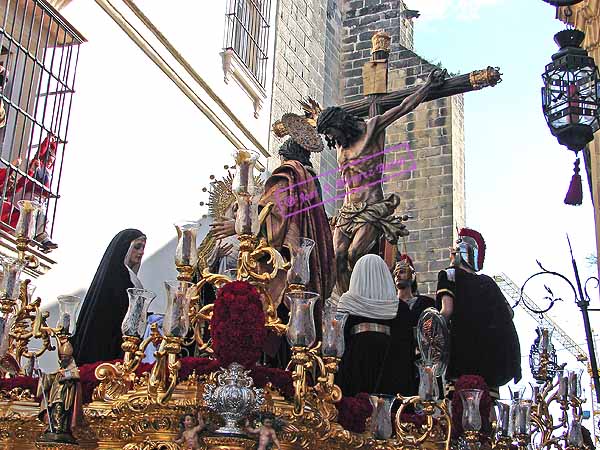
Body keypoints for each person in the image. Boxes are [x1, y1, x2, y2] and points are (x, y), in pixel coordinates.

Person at [315, 69, 446, 295]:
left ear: (340, 123)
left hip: (371, 208)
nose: (330, 138)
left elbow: (403, 107)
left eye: (331, 132)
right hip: (347, 210)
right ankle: (348, 302)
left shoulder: (371, 128)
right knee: (336, 256)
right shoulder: (340, 145)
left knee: (355, 253)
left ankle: (364, 297)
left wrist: (427, 87)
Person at [436, 228, 521, 399]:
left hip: (462, 355)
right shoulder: (488, 282)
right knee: (489, 409)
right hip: (492, 361)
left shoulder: (449, 275)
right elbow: (509, 314)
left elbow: (447, 311)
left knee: (457, 407)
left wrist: (428, 330)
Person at [335, 254, 409, 397]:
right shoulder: (400, 307)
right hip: (389, 358)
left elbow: (338, 339)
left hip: (355, 358)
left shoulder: (347, 302)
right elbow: (405, 344)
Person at [72, 229, 147, 365]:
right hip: (106, 344)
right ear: (125, 248)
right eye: (137, 247)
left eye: (143, 248)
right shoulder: (119, 278)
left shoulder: (127, 278)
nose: (141, 252)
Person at [393, 253, 435, 395]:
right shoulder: (389, 306)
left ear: (413, 275)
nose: (398, 275)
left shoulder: (426, 303)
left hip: (420, 362)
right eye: (396, 273)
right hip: (397, 361)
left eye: (402, 271)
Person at [37, 337, 82, 444]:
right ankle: (52, 427)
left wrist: (65, 374)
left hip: (64, 395)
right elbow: (51, 377)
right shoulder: (61, 366)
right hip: (55, 393)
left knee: (59, 410)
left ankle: (59, 428)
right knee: (53, 411)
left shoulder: (72, 367)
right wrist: (44, 376)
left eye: (65, 357)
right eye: (61, 357)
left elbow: (75, 375)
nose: (63, 359)